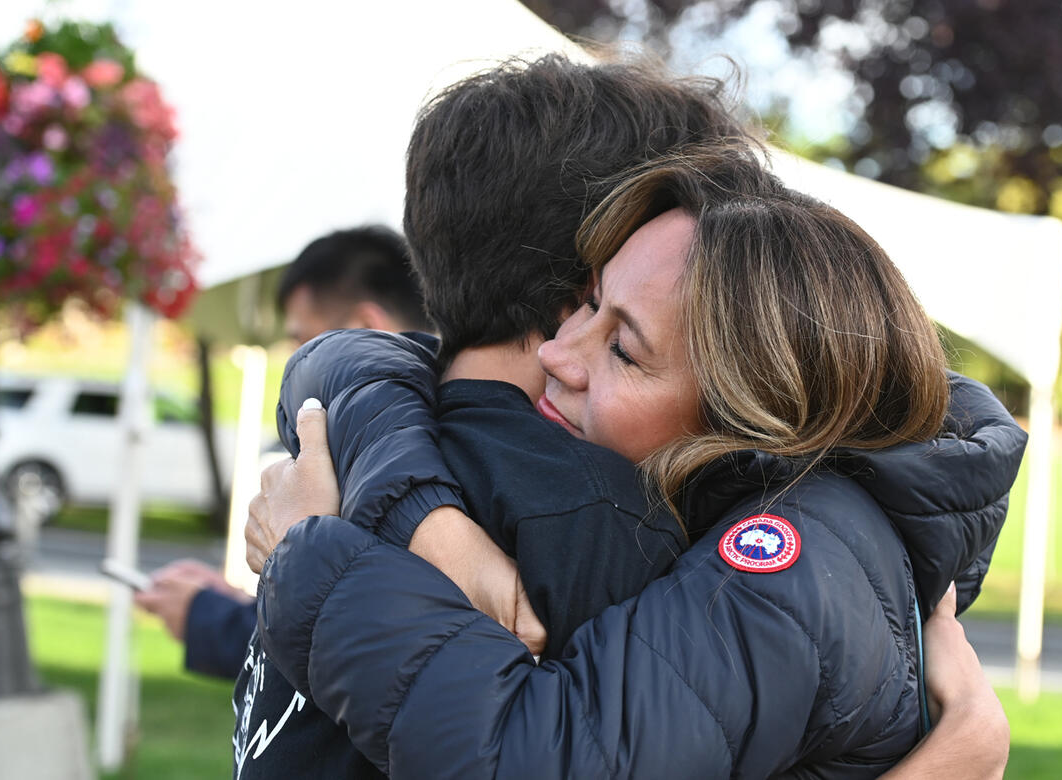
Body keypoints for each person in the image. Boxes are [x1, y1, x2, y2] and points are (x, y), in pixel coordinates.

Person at [239, 56, 1021, 778]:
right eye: (591, 305)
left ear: (745, 413)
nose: (560, 356)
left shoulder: (682, 545)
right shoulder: (400, 441)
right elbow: (360, 360)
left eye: (624, 344)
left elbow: (536, 757)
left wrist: (308, 554)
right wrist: (416, 511)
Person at [133, 225, 427, 679]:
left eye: (301, 342)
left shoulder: (396, 459)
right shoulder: (403, 439)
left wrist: (208, 617)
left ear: (367, 329)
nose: (292, 364)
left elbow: (357, 641)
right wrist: (239, 602)